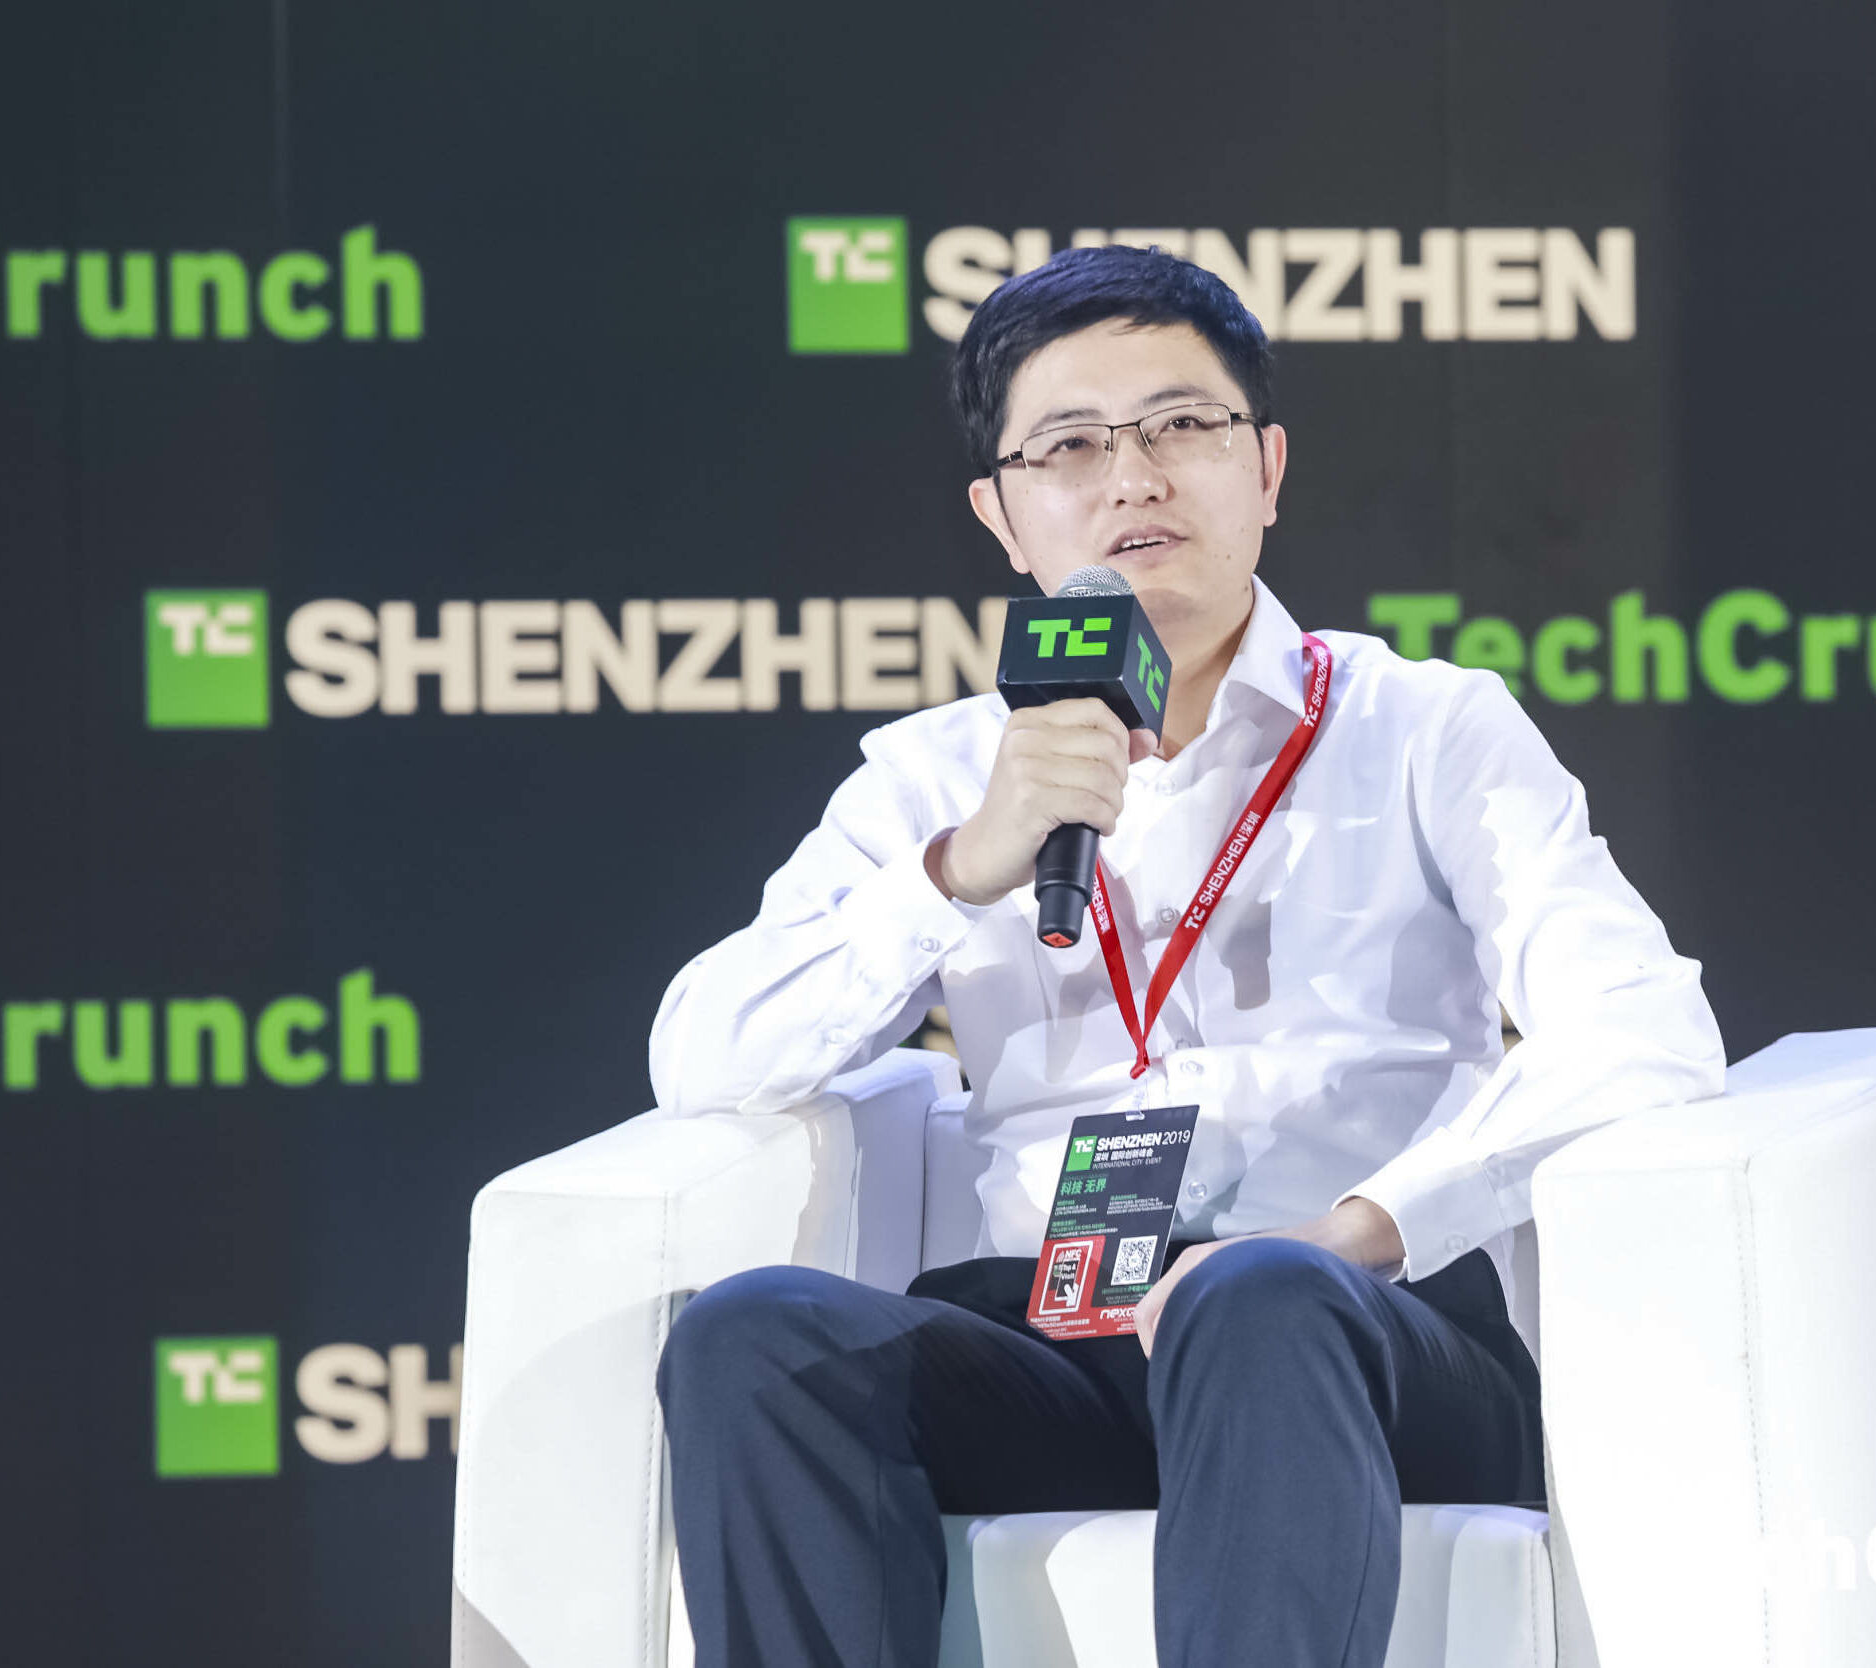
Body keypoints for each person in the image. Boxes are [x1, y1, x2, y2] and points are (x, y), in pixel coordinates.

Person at [650, 243, 1726, 1668]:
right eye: (1070, 446)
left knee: (1253, 1291)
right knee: (753, 1337)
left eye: (1180, 426)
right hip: (1054, 1339)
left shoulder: (1424, 728)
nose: (1133, 479)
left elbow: (1643, 1031)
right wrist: (960, 867)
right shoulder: (936, 778)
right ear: (1001, 516)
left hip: (1360, 1328)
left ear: (1266, 470)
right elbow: (703, 1057)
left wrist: (1359, 1227)